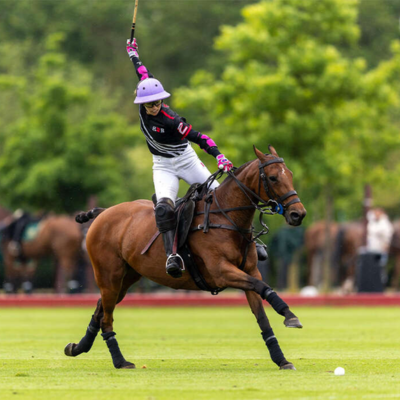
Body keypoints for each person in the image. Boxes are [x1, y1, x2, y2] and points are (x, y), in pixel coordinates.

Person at [126, 39, 233, 279]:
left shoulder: (172, 120)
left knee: (221, 198)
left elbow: (200, 137)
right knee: (164, 209)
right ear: (142, 102)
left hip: (187, 160)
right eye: (149, 104)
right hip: (162, 165)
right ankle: (172, 255)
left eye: (158, 102)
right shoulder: (146, 93)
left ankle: (250, 242)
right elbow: (142, 71)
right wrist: (133, 53)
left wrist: (220, 156)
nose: (154, 106)